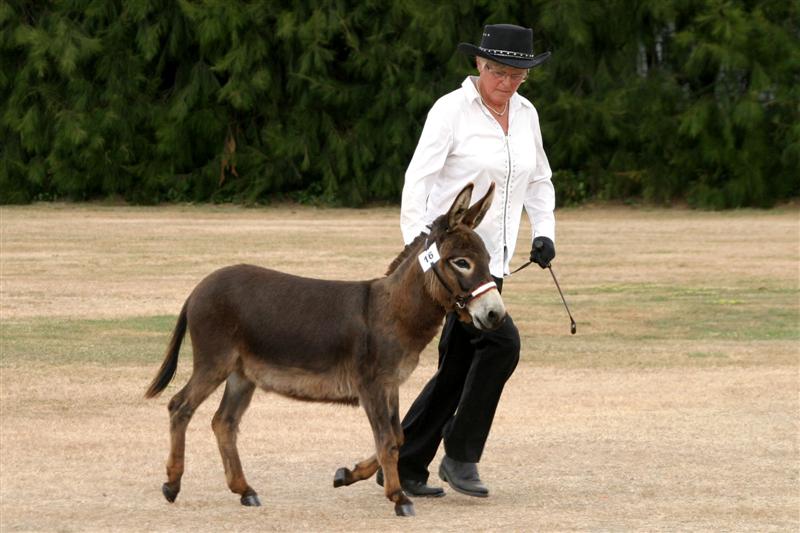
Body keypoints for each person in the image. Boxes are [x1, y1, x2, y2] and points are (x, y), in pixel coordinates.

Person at [383, 23, 557, 498]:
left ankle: (405, 461)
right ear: (480, 65)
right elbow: (417, 182)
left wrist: (544, 233)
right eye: (500, 71)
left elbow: (539, 179)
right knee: (502, 345)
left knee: (458, 363)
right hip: (451, 268)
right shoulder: (450, 111)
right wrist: (421, 254)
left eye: (518, 73)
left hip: (493, 262)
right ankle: (460, 455)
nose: (509, 81)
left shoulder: (526, 114)